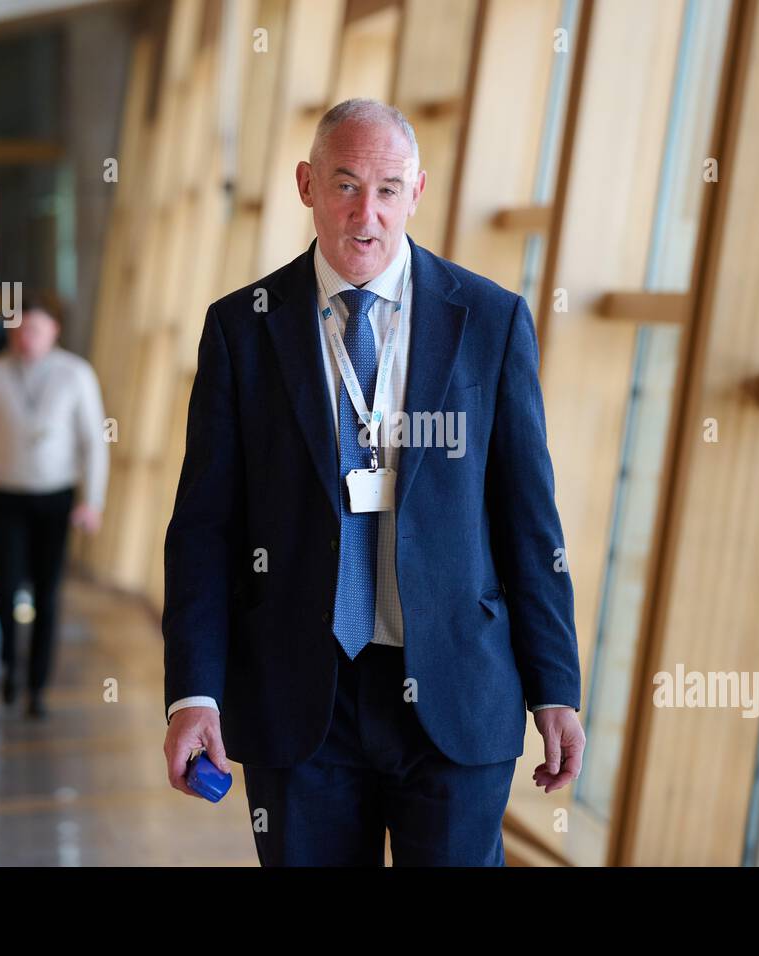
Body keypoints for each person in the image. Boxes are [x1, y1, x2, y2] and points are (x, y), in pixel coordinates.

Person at [162, 98, 584, 865]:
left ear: (417, 193)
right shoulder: (242, 328)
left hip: (458, 692)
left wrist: (555, 686)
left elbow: (529, 522)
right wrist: (195, 691)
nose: (367, 214)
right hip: (301, 699)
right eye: (346, 185)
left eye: (389, 189)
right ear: (306, 185)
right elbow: (204, 530)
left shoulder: (489, 321)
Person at [0, 298, 108, 719]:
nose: (27, 338)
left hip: (55, 497)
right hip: (5, 496)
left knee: (48, 592)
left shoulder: (76, 374)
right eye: (20, 330)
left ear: (54, 331)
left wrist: (92, 501)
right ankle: (9, 661)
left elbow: (94, 441)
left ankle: (37, 685)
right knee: (5, 589)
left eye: (36, 330)